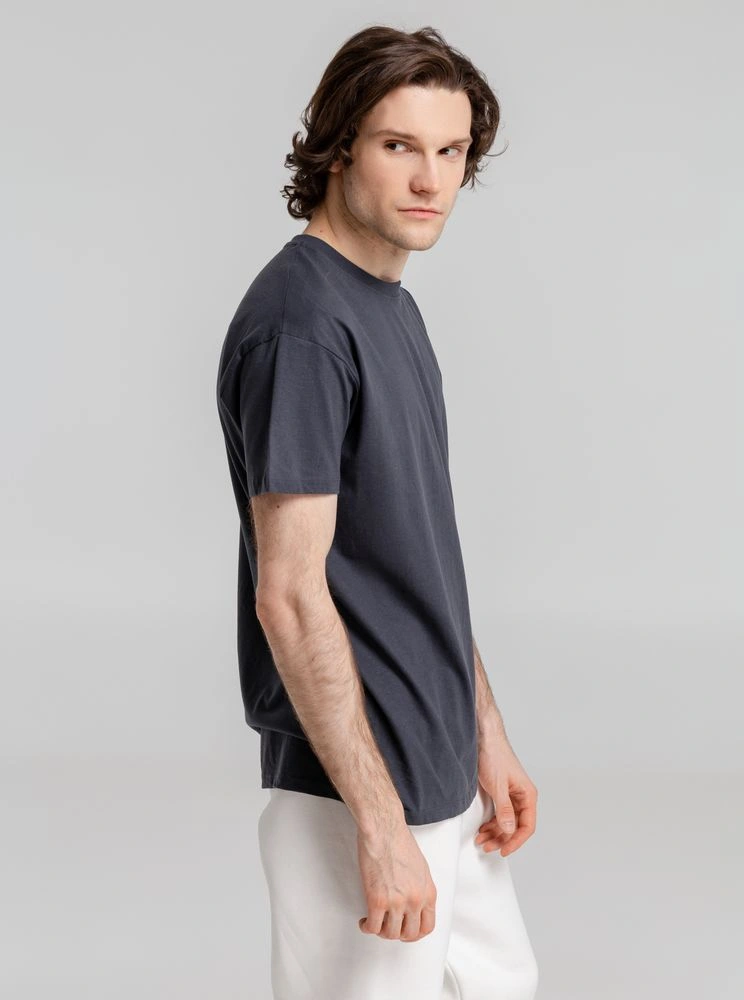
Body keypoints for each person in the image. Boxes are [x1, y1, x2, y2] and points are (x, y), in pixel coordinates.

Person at [215, 23, 539, 1000]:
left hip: (436, 761)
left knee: (505, 983)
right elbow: (289, 594)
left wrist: (483, 729)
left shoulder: (388, 305)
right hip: (357, 786)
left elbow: (413, 557)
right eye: (400, 146)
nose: (431, 180)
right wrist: (376, 820)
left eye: (452, 151)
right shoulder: (303, 329)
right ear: (339, 146)